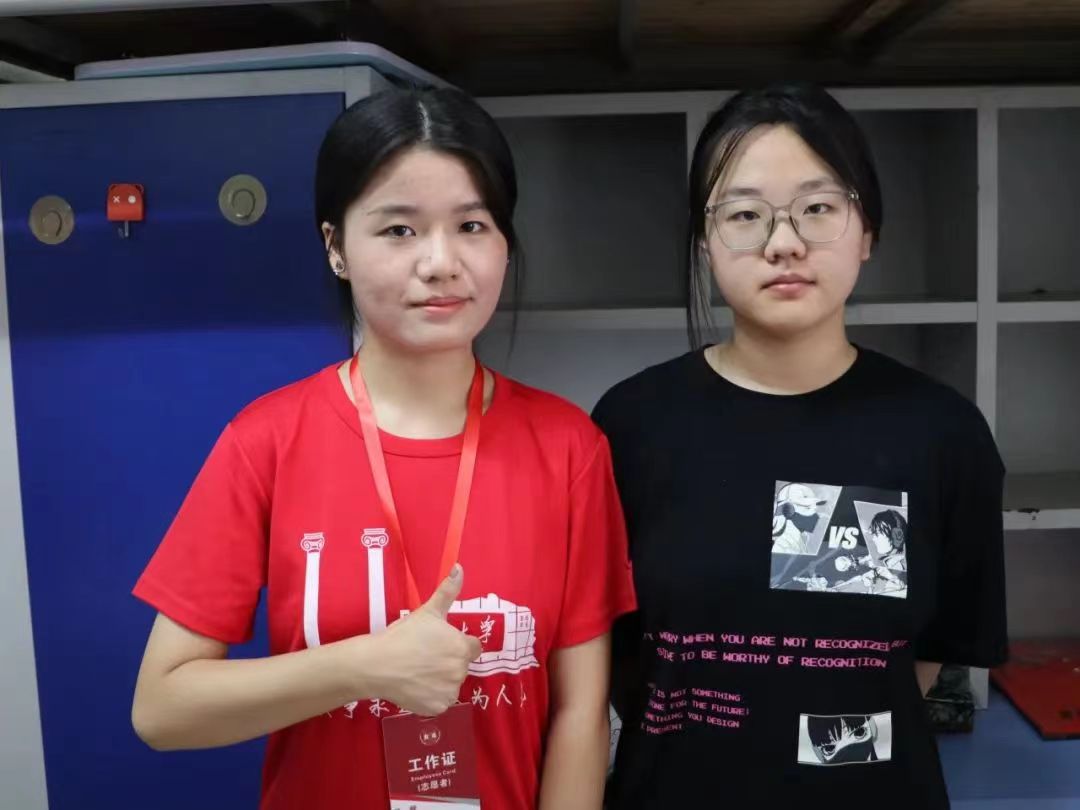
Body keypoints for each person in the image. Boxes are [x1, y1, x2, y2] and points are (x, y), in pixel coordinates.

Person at [131, 87, 636, 810]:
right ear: (336, 247)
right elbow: (162, 709)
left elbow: (579, 715)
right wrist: (364, 667)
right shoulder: (266, 440)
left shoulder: (568, 448)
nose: (440, 262)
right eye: (399, 229)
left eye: (472, 225)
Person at [593, 82, 1006, 808]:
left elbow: (930, 654)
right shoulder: (630, 424)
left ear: (867, 231)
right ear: (705, 243)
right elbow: (614, 655)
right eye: (745, 215)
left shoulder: (942, 432)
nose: (783, 243)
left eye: (818, 208)